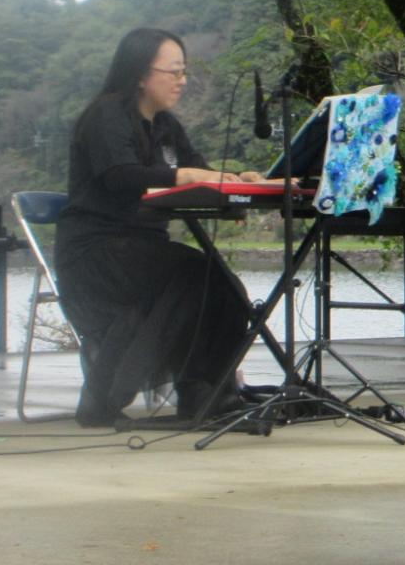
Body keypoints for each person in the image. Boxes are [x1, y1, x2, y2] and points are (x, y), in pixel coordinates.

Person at [55, 28, 265, 425]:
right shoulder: (107, 115)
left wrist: (237, 180)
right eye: (174, 71)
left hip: (145, 247)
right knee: (199, 276)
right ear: (139, 73)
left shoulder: (166, 126)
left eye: (183, 72)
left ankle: (205, 391)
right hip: (97, 252)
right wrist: (181, 176)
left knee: (221, 284)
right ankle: (197, 392)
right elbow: (120, 175)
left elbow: (198, 171)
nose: (182, 81)